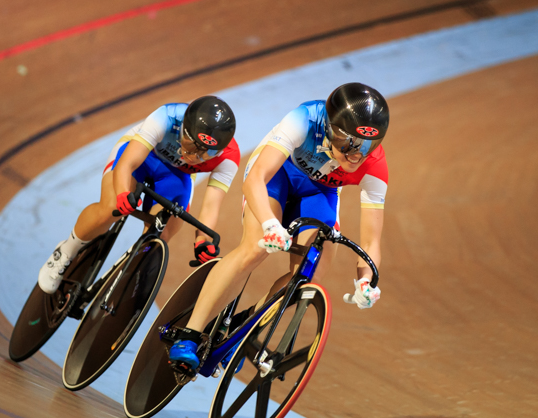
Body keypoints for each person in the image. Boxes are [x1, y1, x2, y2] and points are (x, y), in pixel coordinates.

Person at [169, 82, 389, 369]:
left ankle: (242, 327)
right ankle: (189, 333)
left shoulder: (375, 165)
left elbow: (371, 243)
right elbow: (256, 178)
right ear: (332, 128)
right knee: (255, 248)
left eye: (368, 145)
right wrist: (271, 224)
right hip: (277, 175)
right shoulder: (305, 119)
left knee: (308, 277)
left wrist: (366, 279)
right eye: (349, 143)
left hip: (319, 193)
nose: (356, 155)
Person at [37, 95, 240, 294]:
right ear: (183, 129)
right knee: (111, 208)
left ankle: (125, 279)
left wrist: (202, 240)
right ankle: (65, 251)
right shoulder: (167, 116)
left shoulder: (229, 158)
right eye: (190, 145)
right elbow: (128, 164)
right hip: (144, 155)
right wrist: (124, 194)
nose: (195, 157)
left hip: (176, 175)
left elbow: (212, 204)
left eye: (206, 153)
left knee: (162, 235)